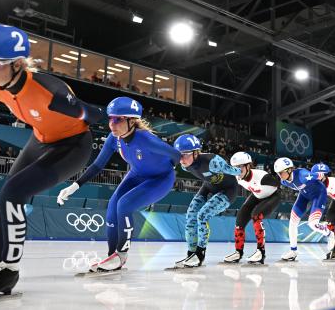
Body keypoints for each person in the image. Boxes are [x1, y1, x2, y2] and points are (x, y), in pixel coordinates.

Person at [0, 25, 103, 298]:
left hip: (73, 145)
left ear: (18, 64)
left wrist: (80, 109)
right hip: (41, 139)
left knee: (14, 193)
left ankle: (9, 271)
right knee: (5, 196)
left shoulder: (50, 92)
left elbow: (95, 116)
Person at [57, 96, 181, 272]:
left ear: (132, 121)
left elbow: (175, 155)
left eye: (117, 119)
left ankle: (121, 256)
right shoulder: (113, 138)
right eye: (110, 119)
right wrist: (74, 186)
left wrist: (170, 167)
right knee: (112, 207)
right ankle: (112, 257)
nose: (112, 124)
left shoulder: (146, 139)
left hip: (160, 179)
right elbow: (98, 165)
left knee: (124, 205)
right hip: (136, 174)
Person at [172, 134, 241, 268]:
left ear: (196, 153)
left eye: (185, 154)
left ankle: (200, 254)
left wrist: (246, 171)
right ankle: (191, 253)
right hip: (208, 186)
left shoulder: (212, 161)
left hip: (228, 190)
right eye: (179, 154)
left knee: (202, 216)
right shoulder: (185, 165)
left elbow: (236, 171)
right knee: (191, 215)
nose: (181, 159)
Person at [223, 152, 282, 265]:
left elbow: (279, 183)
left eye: (240, 167)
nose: (237, 171)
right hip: (257, 195)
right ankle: (238, 252)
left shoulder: (262, 177)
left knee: (256, 215)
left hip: (272, 196)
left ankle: (261, 252)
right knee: (240, 219)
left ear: (248, 166)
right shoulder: (237, 178)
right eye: (234, 168)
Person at [275, 157, 335, 261]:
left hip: (319, 195)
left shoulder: (303, 175)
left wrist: (322, 176)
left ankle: (330, 234)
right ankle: (293, 251)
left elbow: (319, 175)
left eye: (281, 173)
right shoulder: (284, 181)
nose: (279, 176)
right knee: (292, 222)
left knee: (312, 224)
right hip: (304, 195)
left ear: (289, 170)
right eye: (278, 173)